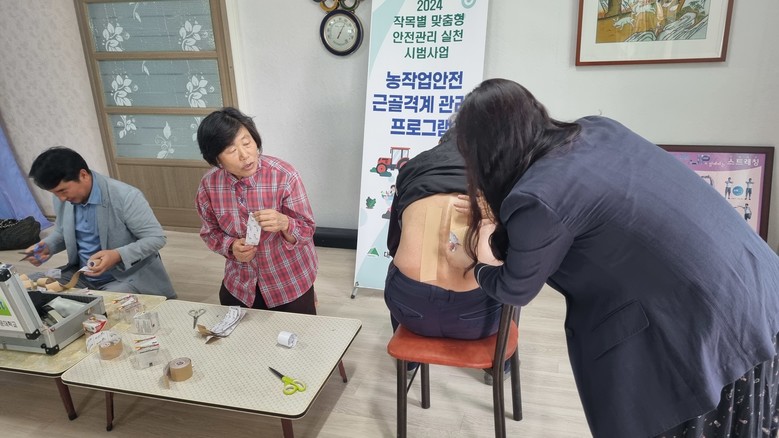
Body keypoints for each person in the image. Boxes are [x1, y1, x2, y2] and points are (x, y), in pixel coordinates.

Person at [450, 78, 779, 438]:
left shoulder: (538, 197)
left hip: (709, 327)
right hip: (758, 281)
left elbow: (515, 288)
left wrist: (477, 264)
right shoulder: (599, 129)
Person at [385, 128, 507, 384]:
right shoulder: (500, 175)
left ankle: (409, 362)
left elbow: (394, 242)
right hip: (479, 319)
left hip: (410, 310)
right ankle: (499, 365)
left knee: (396, 266)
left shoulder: (412, 169)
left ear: (441, 145)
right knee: (512, 279)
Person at [195, 107, 318, 315]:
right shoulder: (209, 186)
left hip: (290, 282)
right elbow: (210, 233)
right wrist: (231, 246)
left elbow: (307, 230)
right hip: (240, 285)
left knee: (297, 333)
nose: (245, 155)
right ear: (216, 159)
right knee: (239, 335)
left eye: (247, 143)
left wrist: (285, 223)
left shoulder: (284, 175)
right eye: (231, 151)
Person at [25, 147, 176, 298]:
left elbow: (156, 238)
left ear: (83, 175)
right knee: (29, 287)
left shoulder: (126, 196)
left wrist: (117, 255)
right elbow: (62, 231)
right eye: (55, 193)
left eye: (63, 191)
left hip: (124, 277)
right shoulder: (63, 198)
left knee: (105, 304)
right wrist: (47, 246)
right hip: (82, 275)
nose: (61, 198)